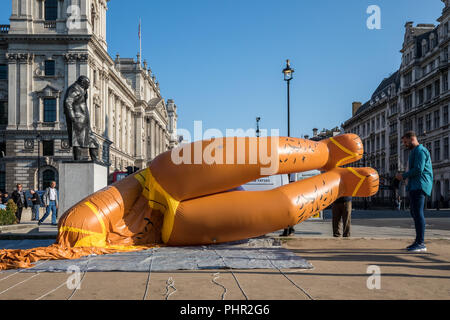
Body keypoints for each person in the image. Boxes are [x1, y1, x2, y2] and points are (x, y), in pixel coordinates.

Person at [396, 131, 433, 253]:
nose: (405, 145)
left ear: (412, 139)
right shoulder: (414, 152)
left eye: (406, 142)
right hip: (414, 185)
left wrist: (404, 176)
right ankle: (418, 241)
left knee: (417, 213)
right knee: (414, 212)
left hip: (420, 185)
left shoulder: (420, 151)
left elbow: (418, 169)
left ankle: (421, 243)